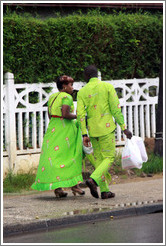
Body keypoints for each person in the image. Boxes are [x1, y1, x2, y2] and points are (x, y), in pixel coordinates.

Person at [77, 65, 132, 199]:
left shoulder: (82, 92)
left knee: (100, 161)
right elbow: (115, 109)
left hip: (93, 131)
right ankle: (93, 180)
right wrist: (124, 127)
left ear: (86, 77)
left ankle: (105, 191)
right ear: (97, 74)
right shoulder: (107, 87)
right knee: (109, 157)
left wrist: (84, 134)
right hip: (106, 129)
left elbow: (80, 114)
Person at [31, 75, 85, 197]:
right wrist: (78, 116)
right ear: (64, 86)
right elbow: (65, 114)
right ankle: (75, 186)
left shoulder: (52, 97)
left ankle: (58, 189)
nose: (72, 88)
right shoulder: (67, 97)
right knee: (71, 156)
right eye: (71, 85)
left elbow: (50, 115)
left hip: (53, 129)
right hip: (65, 130)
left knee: (54, 158)